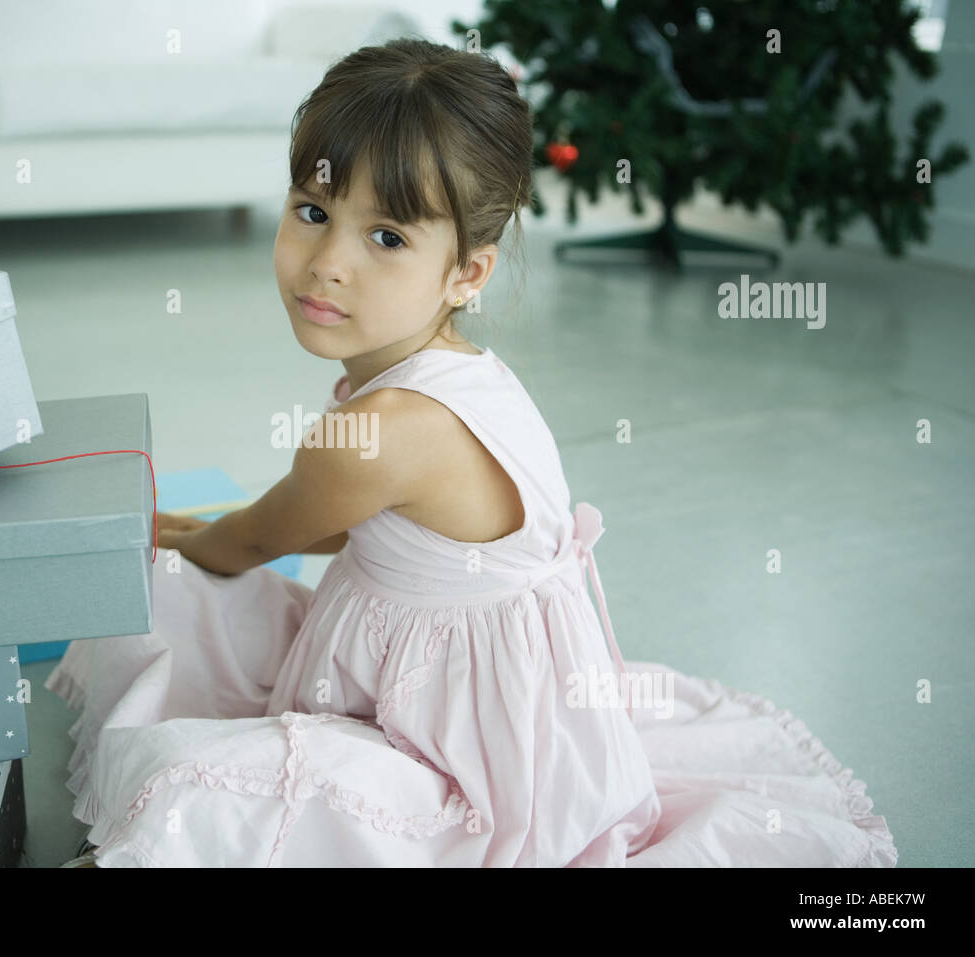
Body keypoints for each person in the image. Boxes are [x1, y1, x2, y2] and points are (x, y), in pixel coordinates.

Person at [50, 38, 897, 868]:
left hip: (469, 763)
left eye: (386, 237)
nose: (327, 264)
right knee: (166, 596)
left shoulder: (385, 431)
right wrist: (193, 532)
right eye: (313, 212)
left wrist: (185, 535)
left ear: (468, 271)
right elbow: (337, 528)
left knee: (193, 768)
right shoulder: (441, 370)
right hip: (394, 668)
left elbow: (256, 539)